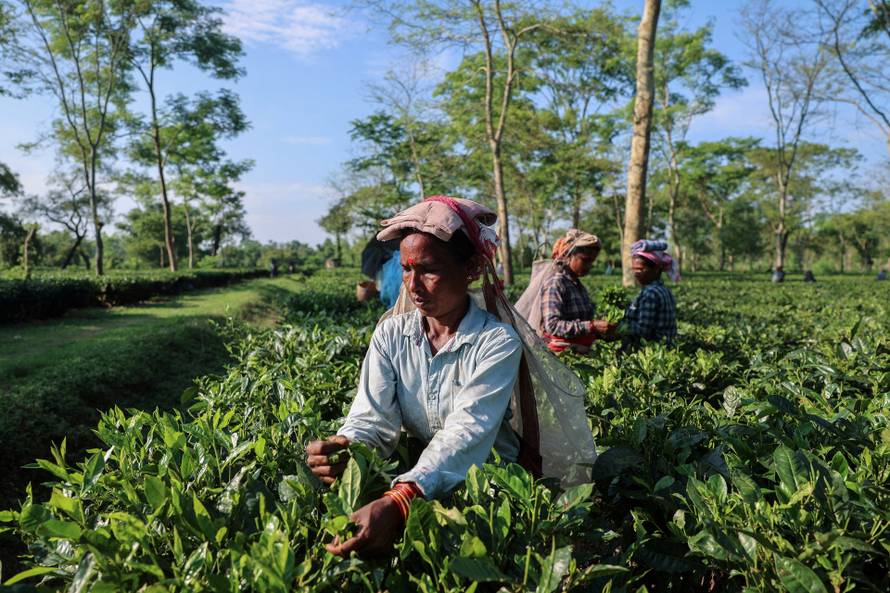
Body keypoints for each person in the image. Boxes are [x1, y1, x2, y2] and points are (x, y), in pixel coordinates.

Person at [307, 197, 597, 559]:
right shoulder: (391, 335)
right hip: (420, 480)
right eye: (407, 269)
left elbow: (468, 430)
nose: (414, 285)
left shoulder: (496, 341)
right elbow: (372, 418)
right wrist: (348, 446)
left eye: (428, 269)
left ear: (472, 268)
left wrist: (401, 499)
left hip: (490, 487)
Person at [514, 229, 614, 353]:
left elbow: (583, 323)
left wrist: (601, 330)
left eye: (592, 261)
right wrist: (592, 326)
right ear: (570, 256)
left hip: (581, 352)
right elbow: (552, 325)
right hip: (561, 357)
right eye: (585, 260)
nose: (589, 266)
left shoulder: (577, 285)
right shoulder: (556, 283)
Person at [621, 240, 678, 346]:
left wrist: (618, 326)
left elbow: (643, 331)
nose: (636, 274)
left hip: (653, 350)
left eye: (640, 269)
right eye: (634, 270)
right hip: (667, 347)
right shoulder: (663, 289)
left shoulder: (650, 294)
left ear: (656, 269)